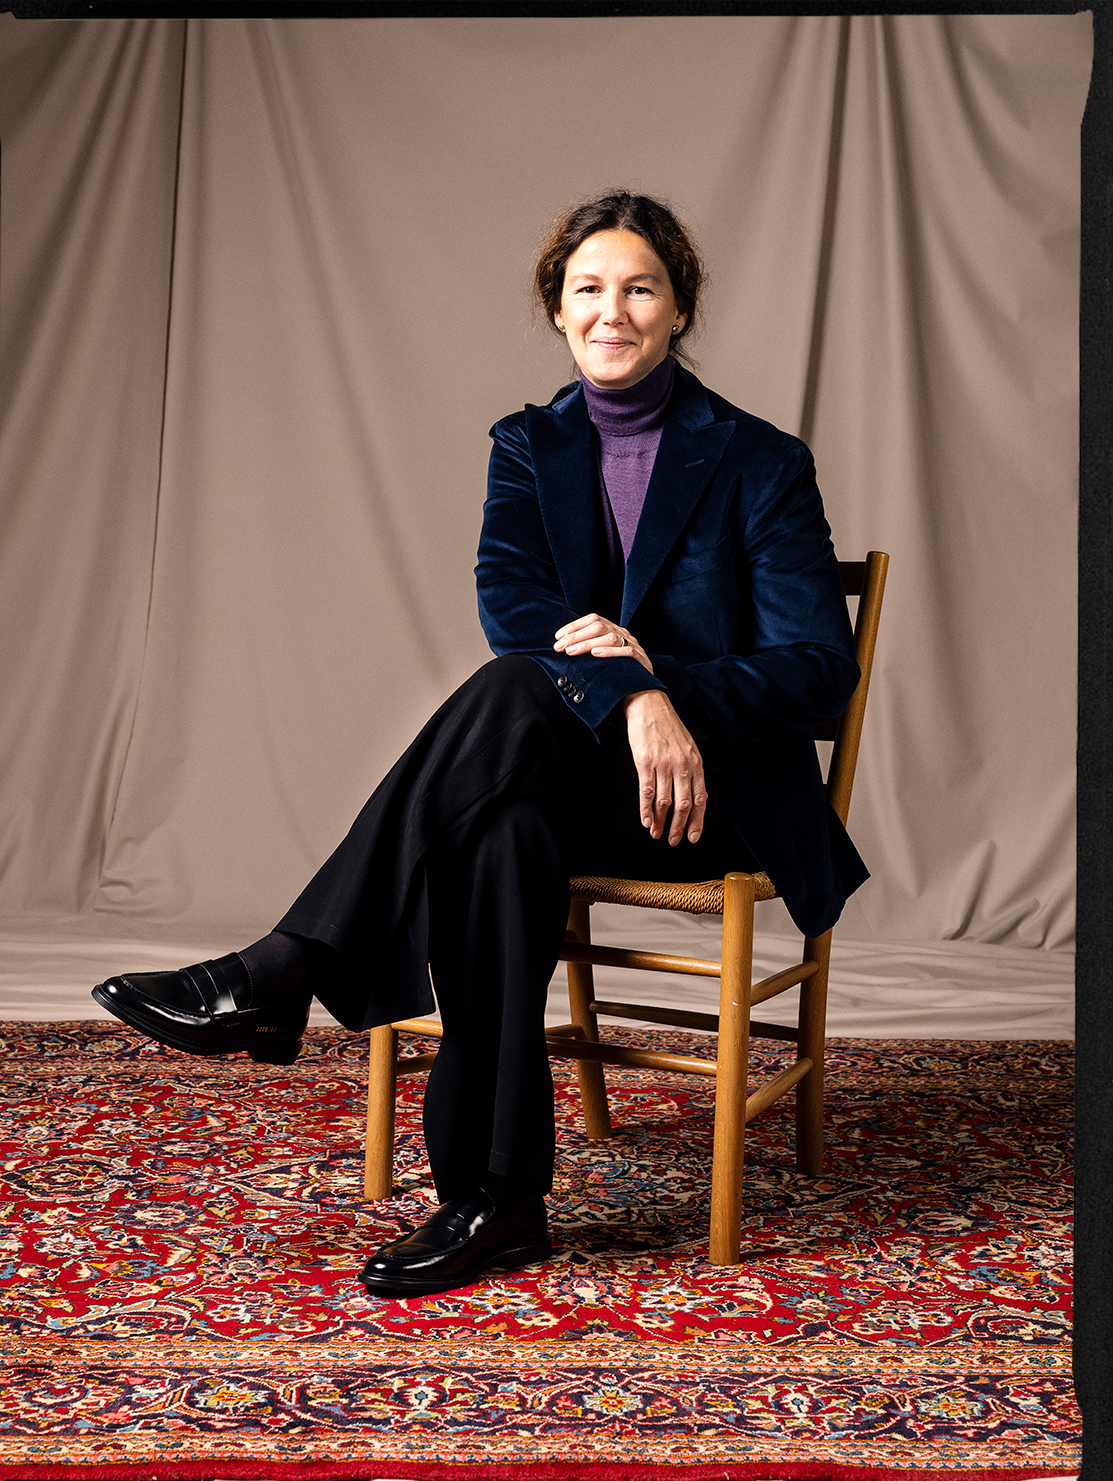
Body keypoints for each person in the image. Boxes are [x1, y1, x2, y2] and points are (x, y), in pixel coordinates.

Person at [93, 191, 868, 1298]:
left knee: (511, 703)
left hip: (712, 800)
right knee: (499, 827)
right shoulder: (527, 446)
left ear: (679, 308)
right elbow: (516, 609)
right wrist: (631, 698)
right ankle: (497, 1198)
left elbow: (819, 668)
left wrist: (667, 688)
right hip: (571, 781)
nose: (612, 312)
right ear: (556, 309)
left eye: (640, 288)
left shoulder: (758, 460)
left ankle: (288, 965)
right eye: (588, 289)